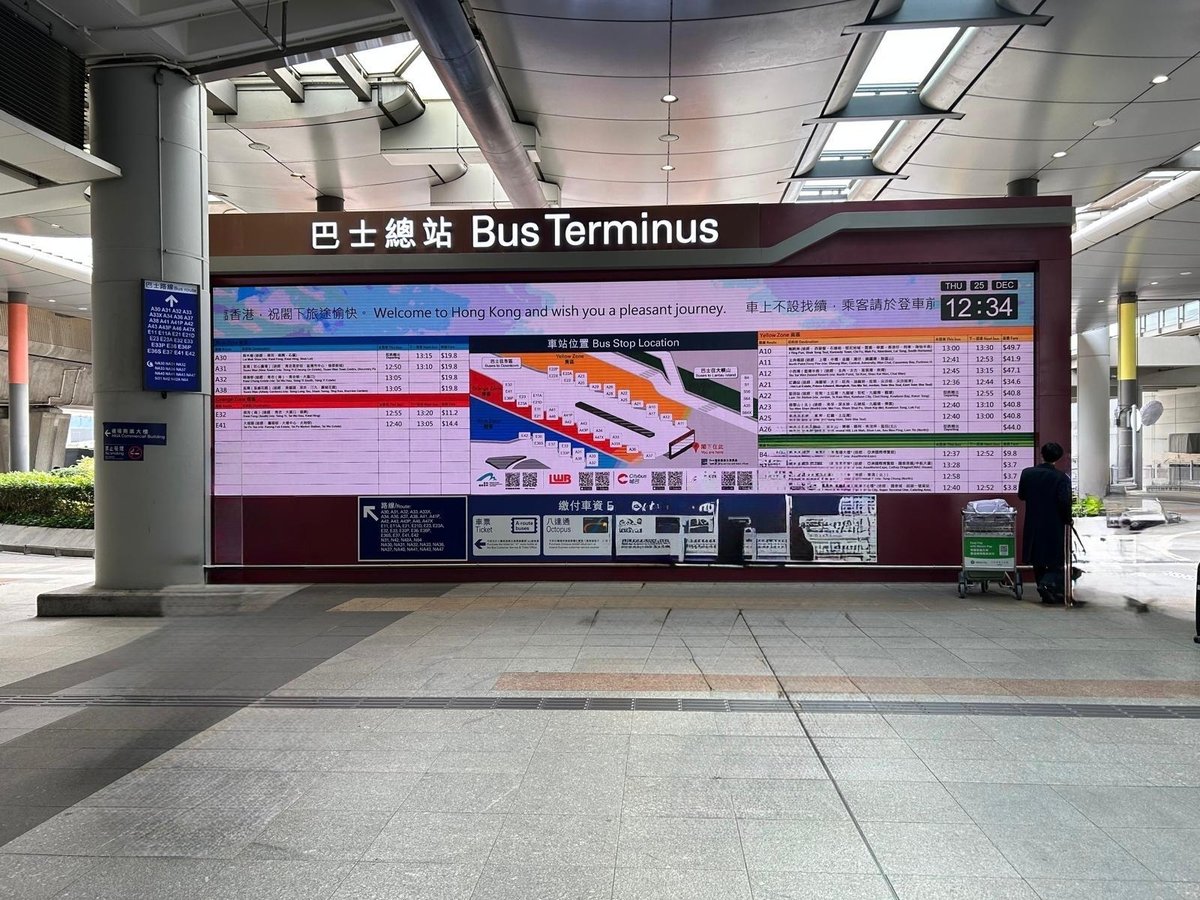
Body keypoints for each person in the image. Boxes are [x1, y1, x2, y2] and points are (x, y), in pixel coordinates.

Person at [1017, 442, 1074, 604]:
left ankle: (1044, 591)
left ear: (1042, 454)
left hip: (1033, 521)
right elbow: (1064, 502)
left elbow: (1022, 495)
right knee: (1056, 558)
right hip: (1054, 523)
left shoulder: (1027, 473)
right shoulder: (1061, 478)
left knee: (1037, 558)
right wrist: (1068, 519)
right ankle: (1047, 585)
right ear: (1058, 458)